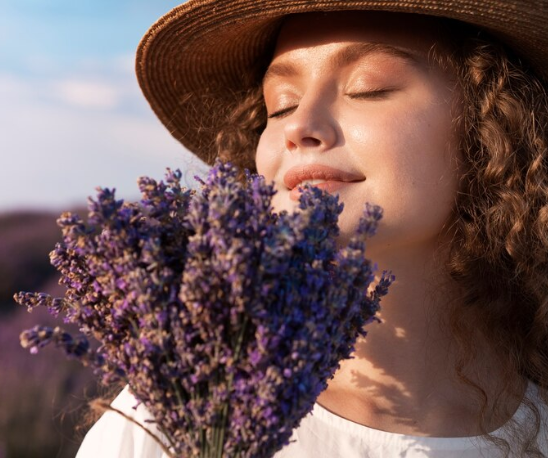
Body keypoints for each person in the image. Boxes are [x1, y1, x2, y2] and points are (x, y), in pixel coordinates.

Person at [76, 0, 548, 456]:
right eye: (279, 105)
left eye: (369, 88)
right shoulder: (182, 421)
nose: (299, 124)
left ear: (494, 128)